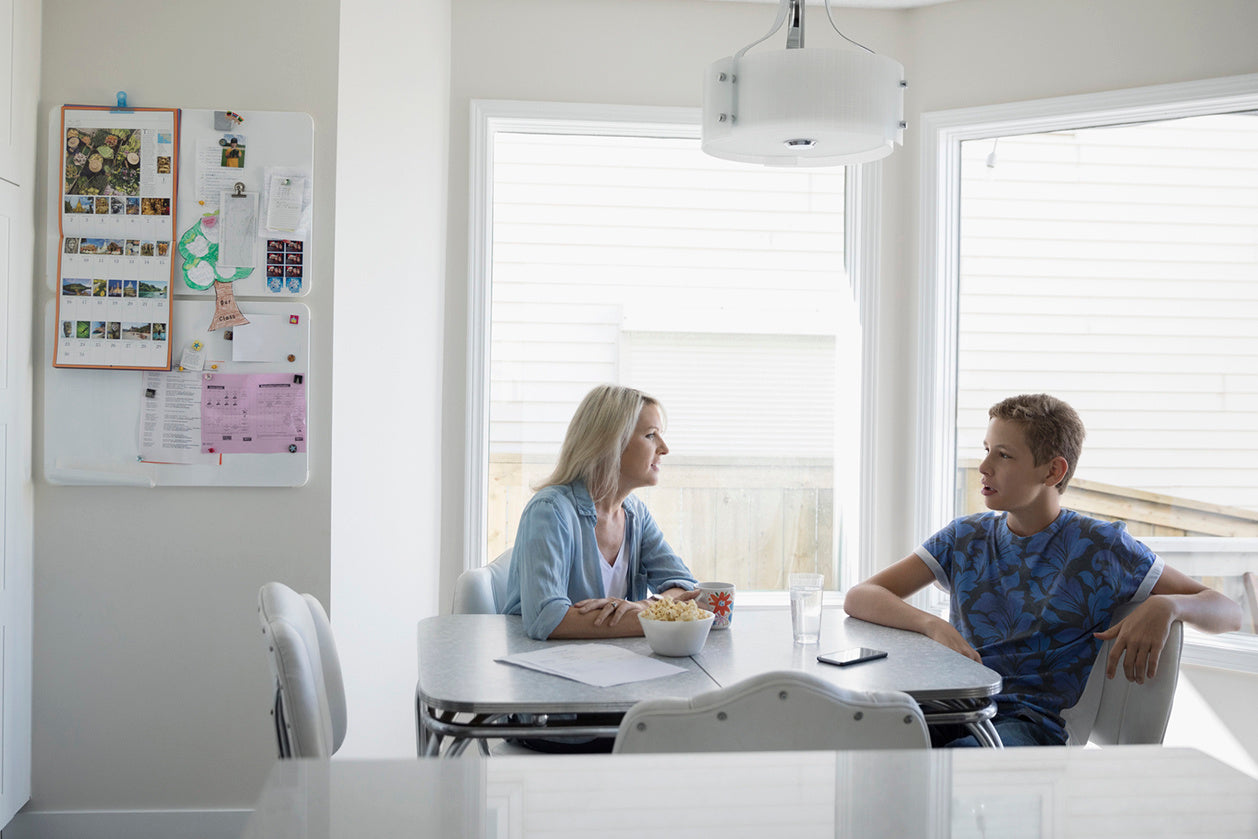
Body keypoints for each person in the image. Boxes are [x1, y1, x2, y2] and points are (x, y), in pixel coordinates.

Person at [844, 393, 1241, 748]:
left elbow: (1229, 611)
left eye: (1003, 455)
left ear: (1052, 472)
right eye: (986, 450)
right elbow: (861, 596)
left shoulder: (1101, 547)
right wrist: (931, 626)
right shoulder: (964, 537)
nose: (983, 466)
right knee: (861, 742)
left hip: (1032, 724)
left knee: (955, 767)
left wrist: (1168, 606)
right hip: (953, 707)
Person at [500, 384, 699, 641]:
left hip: (609, 660)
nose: (664, 448)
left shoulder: (635, 513)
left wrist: (646, 606)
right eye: (651, 435)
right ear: (610, 443)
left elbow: (686, 586)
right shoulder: (549, 511)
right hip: (540, 663)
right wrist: (655, 618)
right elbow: (547, 618)